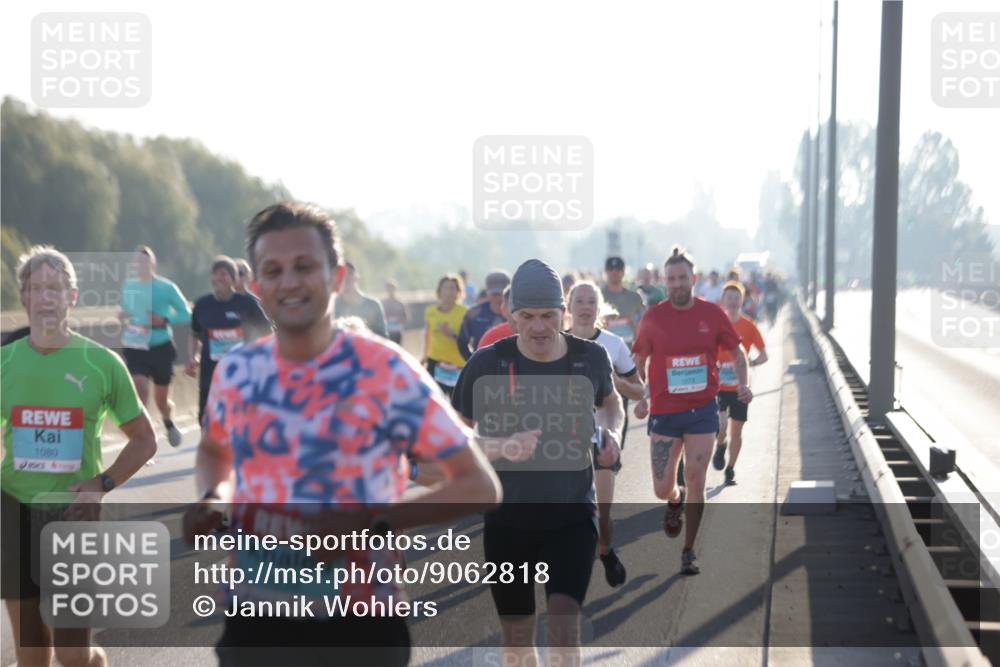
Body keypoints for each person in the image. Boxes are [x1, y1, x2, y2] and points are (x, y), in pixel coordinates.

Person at [182, 202, 501, 667]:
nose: (289, 281)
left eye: (304, 266)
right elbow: (215, 450)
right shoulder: (237, 371)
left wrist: (368, 523)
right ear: (257, 287)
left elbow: (480, 485)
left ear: (337, 276)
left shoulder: (385, 370)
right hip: (254, 616)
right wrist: (213, 497)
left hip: (360, 622)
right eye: (273, 270)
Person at [451, 259, 622, 667]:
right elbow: (453, 440)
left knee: (564, 630)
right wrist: (500, 446)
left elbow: (611, 403)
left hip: (572, 518)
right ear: (512, 319)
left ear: (563, 315)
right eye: (528, 317)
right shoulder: (487, 364)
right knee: (517, 638)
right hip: (508, 522)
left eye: (548, 315)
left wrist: (610, 431)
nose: (540, 327)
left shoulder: (591, 357)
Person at [2, 246, 157, 667]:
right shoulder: (4, 363)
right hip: (13, 508)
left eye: (56, 288)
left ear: (72, 297)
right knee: (32, 658)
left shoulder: (102, 363)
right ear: (25, 297)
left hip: (74, 515)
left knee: (73, 656)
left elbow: (144, 440)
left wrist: (102, 484)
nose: (47, 297)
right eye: (38, 288)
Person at [631, 246, 752, 575]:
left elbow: (738, 354)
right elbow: (639, 360)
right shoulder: (653, 317)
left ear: (693, 279)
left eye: (682, 278)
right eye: (671, 279)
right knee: (661, 486)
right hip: (665, 413)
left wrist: (743, 384)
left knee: (697, 478)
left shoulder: (712, 315)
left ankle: (689, 550)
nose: (677, 284)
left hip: (701, 411)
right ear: (664, 281)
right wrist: (640, 395)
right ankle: (674, 498)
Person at [567, 280, 644, 588]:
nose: (585, 307)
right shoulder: (554, 343)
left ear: (599, 308)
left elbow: (639, 390)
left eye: (590, 302)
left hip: (602, 435)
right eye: (579, 301)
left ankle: (606, 549)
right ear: (568, 308)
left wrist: (614, 382)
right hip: (565, 439)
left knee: (602, 510)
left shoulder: (613, 345)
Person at [118, 245, 192, 448]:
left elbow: (186, 313)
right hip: (135, 346)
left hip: (160, 347)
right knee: (139, 388)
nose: (141, 265)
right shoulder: (129, 286)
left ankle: (168, 421)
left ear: (153, 264)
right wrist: (122, 314)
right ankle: (140, 438)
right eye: (137, 262)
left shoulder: (166, 287)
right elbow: (125, 307)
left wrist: (164, 319)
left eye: (145, 261)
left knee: (161, 401)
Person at [185, 255, 271, 426]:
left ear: (233, 279)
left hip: (240, 375)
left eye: (223, 274)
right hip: (210, 374)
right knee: (206, 421)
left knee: (239, 423)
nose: (218, 278)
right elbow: (194, 334)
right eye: (215, 274)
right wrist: (192, 357)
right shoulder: (202, 305)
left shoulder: (247, 304)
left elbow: (267, 333)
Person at [713, 281, 768, 485]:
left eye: (737, 298)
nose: (734, 302)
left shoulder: (749, 326)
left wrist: (749, 363)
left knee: (737, 429)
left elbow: (764, 355)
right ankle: (720, 446)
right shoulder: (716, 325)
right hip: (719, 385)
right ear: (723, 301)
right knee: (721, 425)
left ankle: (730, 469)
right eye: (730, 298)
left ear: (742, 300)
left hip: (741, 387)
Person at [423, 274, 468, 396]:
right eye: (445, 288)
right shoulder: (430, 311)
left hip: (457, 365)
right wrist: (424, 356)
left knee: (456, 404)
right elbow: (427, 334)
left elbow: (468, 341)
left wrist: (451, 334)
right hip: (435, 362)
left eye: (452, 288)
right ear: (439, 291)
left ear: (458, 292)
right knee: (435, 400)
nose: (448, 291)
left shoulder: (465, 312)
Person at [456, 270, 510, 359]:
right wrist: (473, 362)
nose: (499, 298)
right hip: (483, 367)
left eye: (502, 293)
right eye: (495, 294)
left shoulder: (517, 315)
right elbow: (462, 341)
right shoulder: (474, 314)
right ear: (487, 293)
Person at [333, 262, 388, 337]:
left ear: (357, 277)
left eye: (349, 273)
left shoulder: (373, 305)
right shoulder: (332, 306)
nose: (345, 277)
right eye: (341, 274)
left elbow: (383, 337)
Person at [601, 256, 644, 346]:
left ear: (624, 272)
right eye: (610, 269)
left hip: (629, 351)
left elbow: (642, 325)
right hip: (604, 350)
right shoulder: (598, 297)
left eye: (618, 269)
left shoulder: (634, 298)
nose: (614, 272)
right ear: (605, 272)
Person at [381, 279, 409, 345]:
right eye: (389, 289)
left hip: (397, 332)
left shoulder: (400, 303)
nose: (391, 291)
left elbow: (405, 318)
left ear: (395, 289)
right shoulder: (383, 303)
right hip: (386, 332)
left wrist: (397, 319)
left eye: (392, 289)